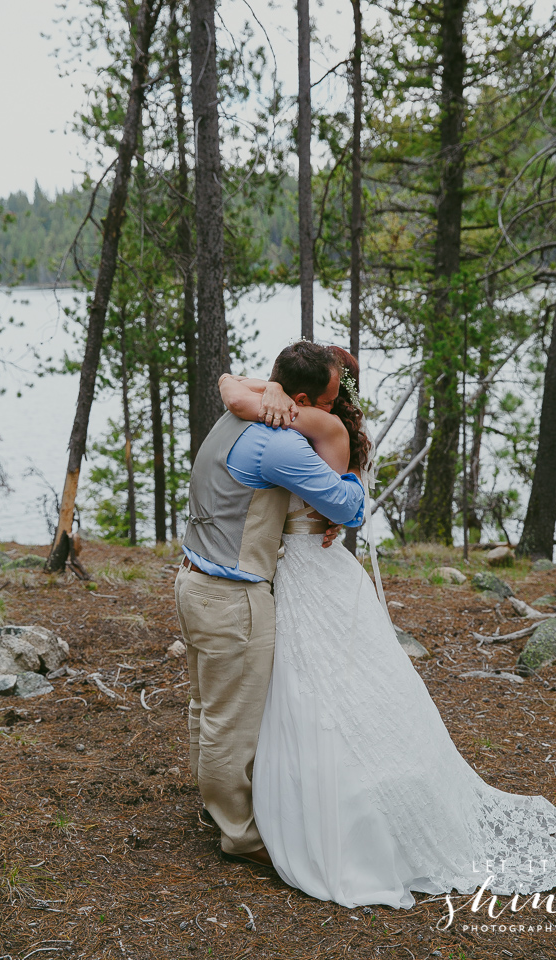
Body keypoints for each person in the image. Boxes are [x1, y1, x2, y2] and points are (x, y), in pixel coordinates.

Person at [219, 346, 556, 910]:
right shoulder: (330, 424)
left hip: (301, 572)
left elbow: (234, 392)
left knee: (311, 689)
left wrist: (259, 391)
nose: (335, 396)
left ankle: (323, 810)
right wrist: (267, 392)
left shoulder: (318, 422)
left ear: (304, 397)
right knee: (339, 686)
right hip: (320, 570)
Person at [174, 341, 365, 869]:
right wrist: (349, 479)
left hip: (192, 580)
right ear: (300, 397)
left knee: (206, 708)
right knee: (229, 726)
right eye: (326, 401)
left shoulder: (235, 419)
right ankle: (239, 834)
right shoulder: (278, 445)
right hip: (232, 596)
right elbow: (347, 507)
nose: (327, 410)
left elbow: (234, 384)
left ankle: (215, 808)